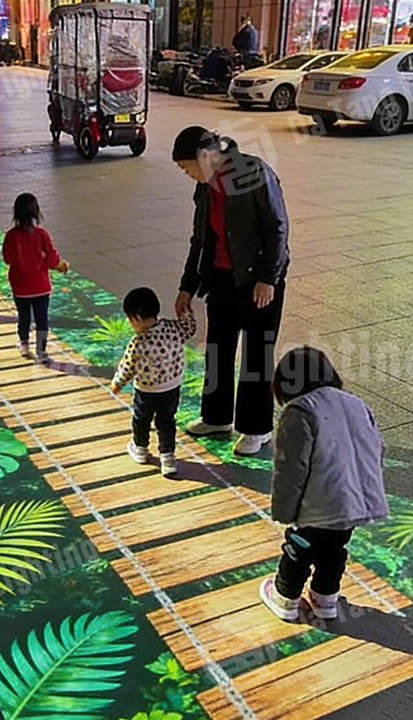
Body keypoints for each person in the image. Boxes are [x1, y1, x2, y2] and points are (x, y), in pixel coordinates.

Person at [172, 126, 289, 456]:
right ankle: (217, 417)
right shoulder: (205, 187)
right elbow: (200, 239)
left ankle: (257, 428)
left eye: (187, 167)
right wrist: (187, 286)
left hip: (258, 280)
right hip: (222, 277)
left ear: (204, 156)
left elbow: (278, 228)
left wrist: (268, 278)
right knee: (218, 348)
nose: (187, 174)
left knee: (256, 353)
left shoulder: (254, 173)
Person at [259, 347, 389, 621]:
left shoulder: (300, 411)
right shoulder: (356, 403)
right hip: (355, 500)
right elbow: (378, 449)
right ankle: (325, 598)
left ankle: (285, 597)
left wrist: (285, 511)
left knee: (300, 547)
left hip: (319, 501)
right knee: (334, 549)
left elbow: (291, 469)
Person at [111, 288, 197, 477]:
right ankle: (168, 458)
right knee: (166, 422)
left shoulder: (138, 342)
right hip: (172, 387)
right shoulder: (173, 328)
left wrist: (118, 382)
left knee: (141, 419)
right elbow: (189, 328)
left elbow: (127, 366)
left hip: (146, 391)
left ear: (137, 318)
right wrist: (186, 313)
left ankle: (140, 449)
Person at [1, 193, 70, 361]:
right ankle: (41, 351)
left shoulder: (11, 235)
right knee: (42, 319)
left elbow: (7, 259)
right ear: (36, 212)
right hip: (41, 286)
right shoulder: (42, 234)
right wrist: (61, 265)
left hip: (20, 287)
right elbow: (52, 258)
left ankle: (24, 345)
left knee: (23, 317)